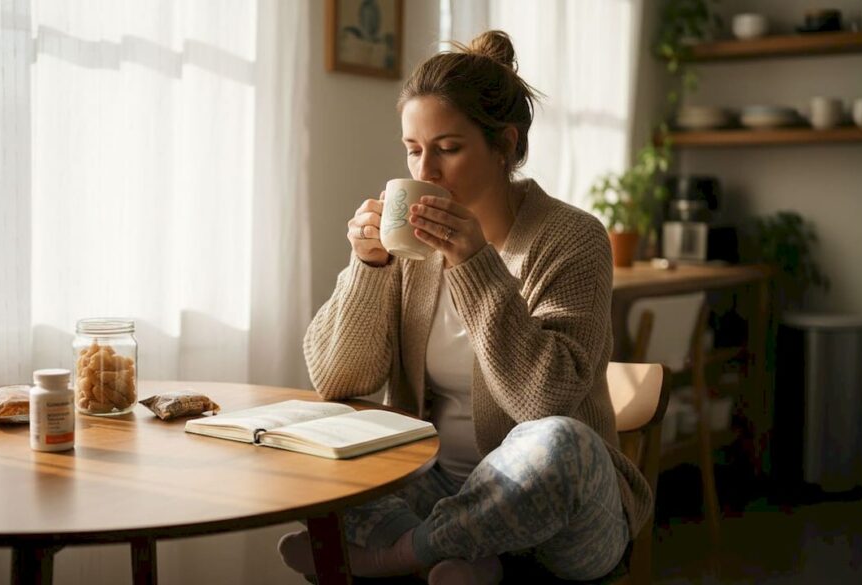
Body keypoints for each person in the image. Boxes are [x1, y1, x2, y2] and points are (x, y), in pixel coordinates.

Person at [278, 30, 652, 584]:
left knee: (560, 442)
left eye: (447, 149)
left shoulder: (572, 238)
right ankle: (470, 556)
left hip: (564, 515)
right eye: (413, 149)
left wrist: (475, 263)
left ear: (503, 144)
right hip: (433, 485)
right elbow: (337, 378)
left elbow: (542, 401)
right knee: (315, 439)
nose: (424, 172)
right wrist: (368, 266)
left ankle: (399, 554)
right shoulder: (409, 246)